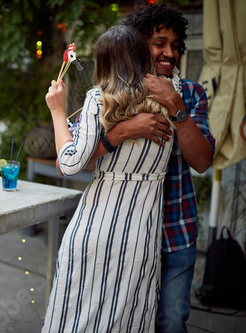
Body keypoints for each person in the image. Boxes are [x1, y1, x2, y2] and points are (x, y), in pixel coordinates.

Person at [89, 4, 215, 332]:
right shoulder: (110, 93)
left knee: (172, 322)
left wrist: (175, 105)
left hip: (175, 229)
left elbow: (201, 162)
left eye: (175, 45)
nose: (169, 52)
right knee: (122, 320)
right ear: (137, 44)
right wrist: (123, 131)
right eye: (160, 43)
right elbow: (76, 160)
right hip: (123, 231)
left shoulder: (191, 92)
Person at [42, 25, 175, 332]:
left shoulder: (99, 100)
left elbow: (71, 164)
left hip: (95, 226)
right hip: (141, 233)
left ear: (103, 63)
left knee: (76, 318)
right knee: (129, 318)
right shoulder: (170, 100)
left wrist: (57, 111)